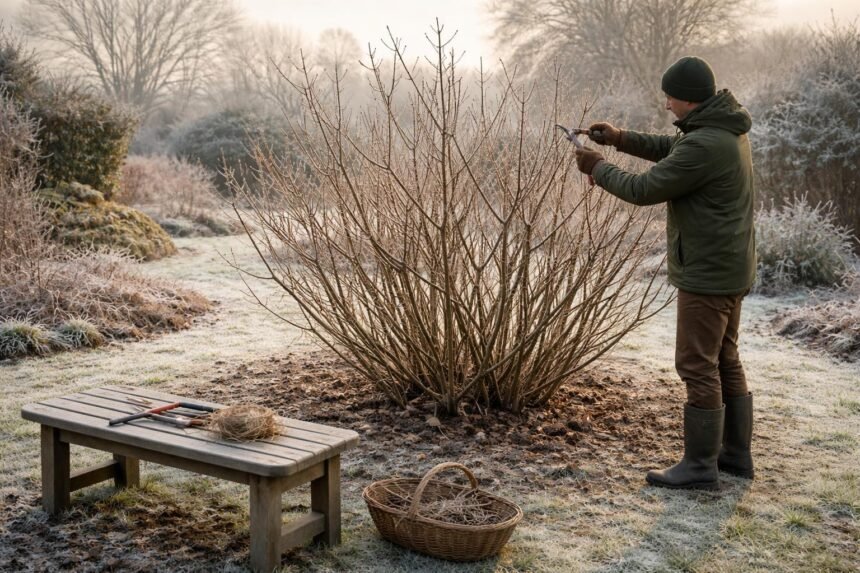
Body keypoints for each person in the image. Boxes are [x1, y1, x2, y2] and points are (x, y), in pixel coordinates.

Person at [574, 56, 756, 490]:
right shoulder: (722, 130)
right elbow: (670, 148)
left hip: (707, 274)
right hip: (730, 264)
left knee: (696, 363)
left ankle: (699, 467)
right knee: (724, 359)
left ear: (688, 99)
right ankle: (735, 457)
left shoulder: (705, 144)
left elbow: (643, 189)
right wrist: (620, 139)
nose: (667, 105)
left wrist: (597, 167)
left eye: (670, 97)